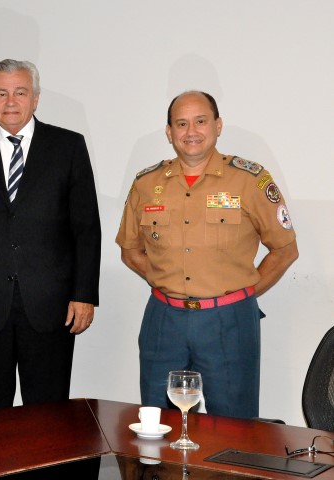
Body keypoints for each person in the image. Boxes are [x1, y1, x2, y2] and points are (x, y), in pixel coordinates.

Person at [116, 91, 299, 419]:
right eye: (181, 123)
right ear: (169, 132)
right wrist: (164, 278)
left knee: (234, 426)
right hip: (164, 319)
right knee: (159, 426)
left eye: (200, 121)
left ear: (218, 126)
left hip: (228, 322)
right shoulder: (147, 183)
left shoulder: (249, 180)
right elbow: (130, 250)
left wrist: (239, 297)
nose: (191, 131)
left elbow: (285, 250)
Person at [0, 59, 101, 412]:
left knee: (48, 414)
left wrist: (84, 294)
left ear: (36, 98)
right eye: (1, 93)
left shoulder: (68, 147)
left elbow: (86, 228)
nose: (11, 102)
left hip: (51, 305)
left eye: (20, 92)